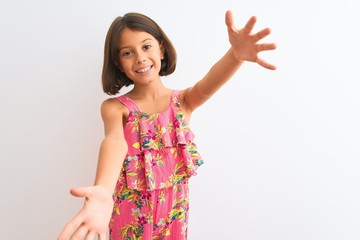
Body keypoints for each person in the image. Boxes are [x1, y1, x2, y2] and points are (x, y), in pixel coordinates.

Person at [57, 9, 276, 240]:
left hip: (173, 219)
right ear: (118, 63)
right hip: (130, 220)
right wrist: (103, 189)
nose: (140, 58)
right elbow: (114, 141)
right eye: (128, 53)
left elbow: (209, 83)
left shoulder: (182, 103)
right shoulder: (116, 108)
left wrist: (235, 55)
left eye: (146, 46)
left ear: (161, 48)